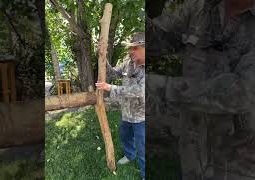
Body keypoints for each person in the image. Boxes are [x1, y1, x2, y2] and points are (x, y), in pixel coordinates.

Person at [146, 0, 255, 179]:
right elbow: (159, 41)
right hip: (194, 150)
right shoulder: (200, 7)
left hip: (241, 163)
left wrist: (164, 88)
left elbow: (243, 92)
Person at [95, 32, 145, 180]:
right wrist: (103, 57)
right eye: (130, 48)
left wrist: (109, 88)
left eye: (134, 48)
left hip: (142, 116)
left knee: (143, 148)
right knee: (125, 136)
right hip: (126, 112)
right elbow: (113, 73)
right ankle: (130, 155)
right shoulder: (128, 62)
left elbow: (138, 91)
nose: (130, 51)